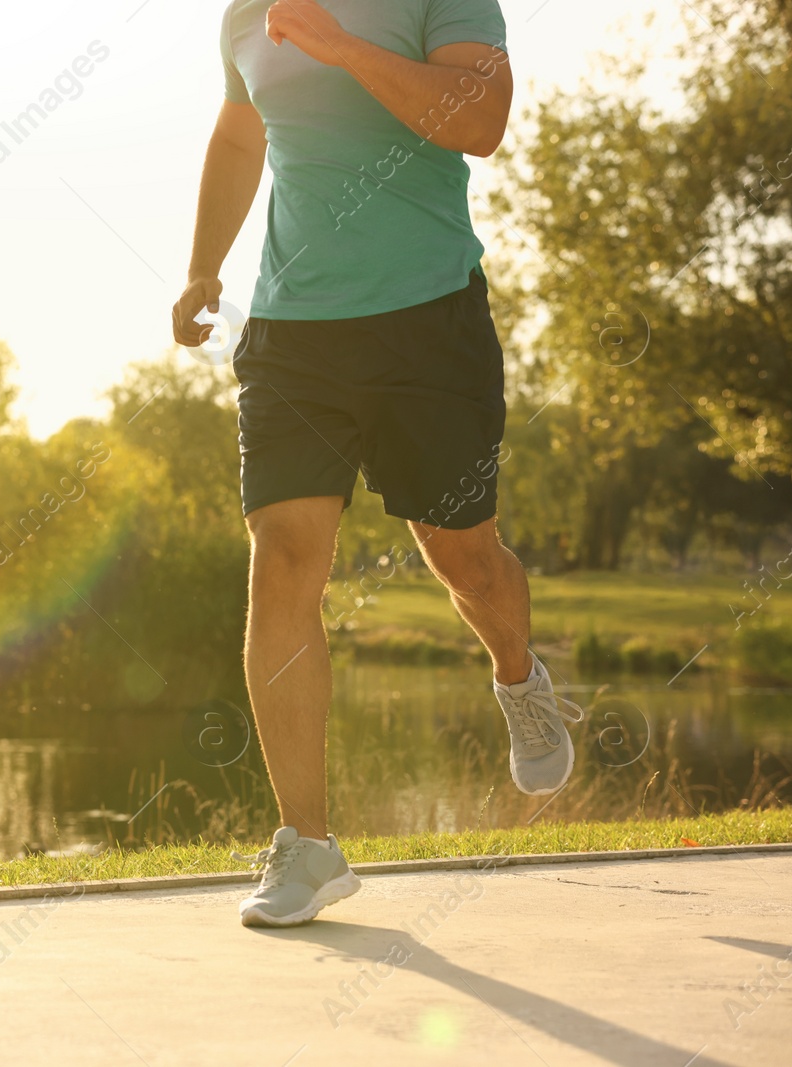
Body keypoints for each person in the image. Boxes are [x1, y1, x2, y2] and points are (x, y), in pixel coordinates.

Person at [172, 0, 584, 928]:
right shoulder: (244, 14)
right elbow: (241, 135)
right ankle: (307, 844)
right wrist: (204, 265)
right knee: (282, 558)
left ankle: (518, 673)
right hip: (293, 334)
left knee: (464, 558)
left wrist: (342, 46)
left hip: (426, 320)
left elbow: (482, 122)